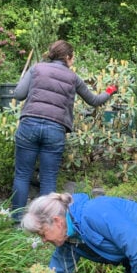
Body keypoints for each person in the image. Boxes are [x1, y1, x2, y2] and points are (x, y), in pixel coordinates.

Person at [10, 40, 117, 220]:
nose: (73, 60)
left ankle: (16, 222)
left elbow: (19, 94)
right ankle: (44, 225)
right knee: (48, 178)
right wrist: (110, 90)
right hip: (55, 129)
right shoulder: (73, 78)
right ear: (67, 57)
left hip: (29, 125)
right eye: (72, 57)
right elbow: (94, 100)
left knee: (22, 175)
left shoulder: (36, 68)